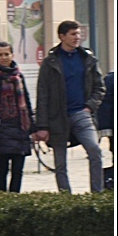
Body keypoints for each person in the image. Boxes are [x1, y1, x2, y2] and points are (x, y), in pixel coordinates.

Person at [34, 20, 105, 193]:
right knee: (60, 163)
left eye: (79, 34)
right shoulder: (50, 62)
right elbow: (42, 94)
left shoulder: (87, 58)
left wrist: (90, 106)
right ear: (62, 36)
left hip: (82, 113)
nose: (77, 37)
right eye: (73, 34)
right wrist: (42, 125)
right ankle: (66, 197)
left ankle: (97, 194)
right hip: (58, 117)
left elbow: (100, 87)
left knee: (94, 150)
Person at [0, 41, 34, 193]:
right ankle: (2, 201)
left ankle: (15, 200)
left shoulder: (18, 76)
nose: (4, 57)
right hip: (2, 129)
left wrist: (33, 127)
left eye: (7, 54)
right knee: (2, 170)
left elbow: (26, 100)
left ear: (12, 55)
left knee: (18, 171)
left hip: (20, 128)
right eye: (0, 54)